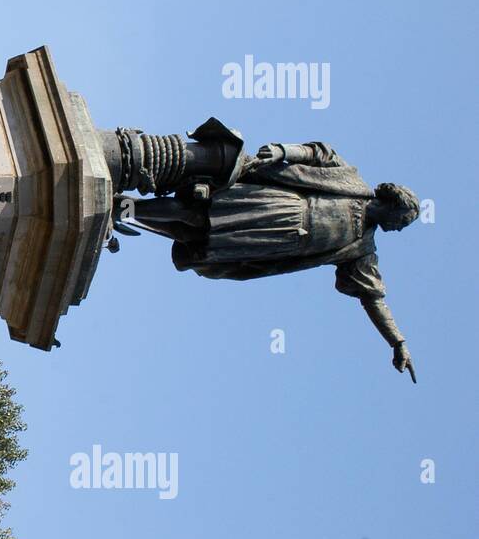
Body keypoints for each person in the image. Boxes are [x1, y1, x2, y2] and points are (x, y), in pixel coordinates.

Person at [130, 141, 419, 381]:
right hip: (277, 204)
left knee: (198, 235)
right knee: (198, 212)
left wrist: (398, 342)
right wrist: (284, 151)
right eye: (401, 221)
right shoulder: (353, 183)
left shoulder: (362, 249)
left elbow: (373, 297)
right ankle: (130, 207)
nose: (398, 229)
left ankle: (125, 212)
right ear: (392, 204)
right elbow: (320, 153)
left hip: (275, 243)